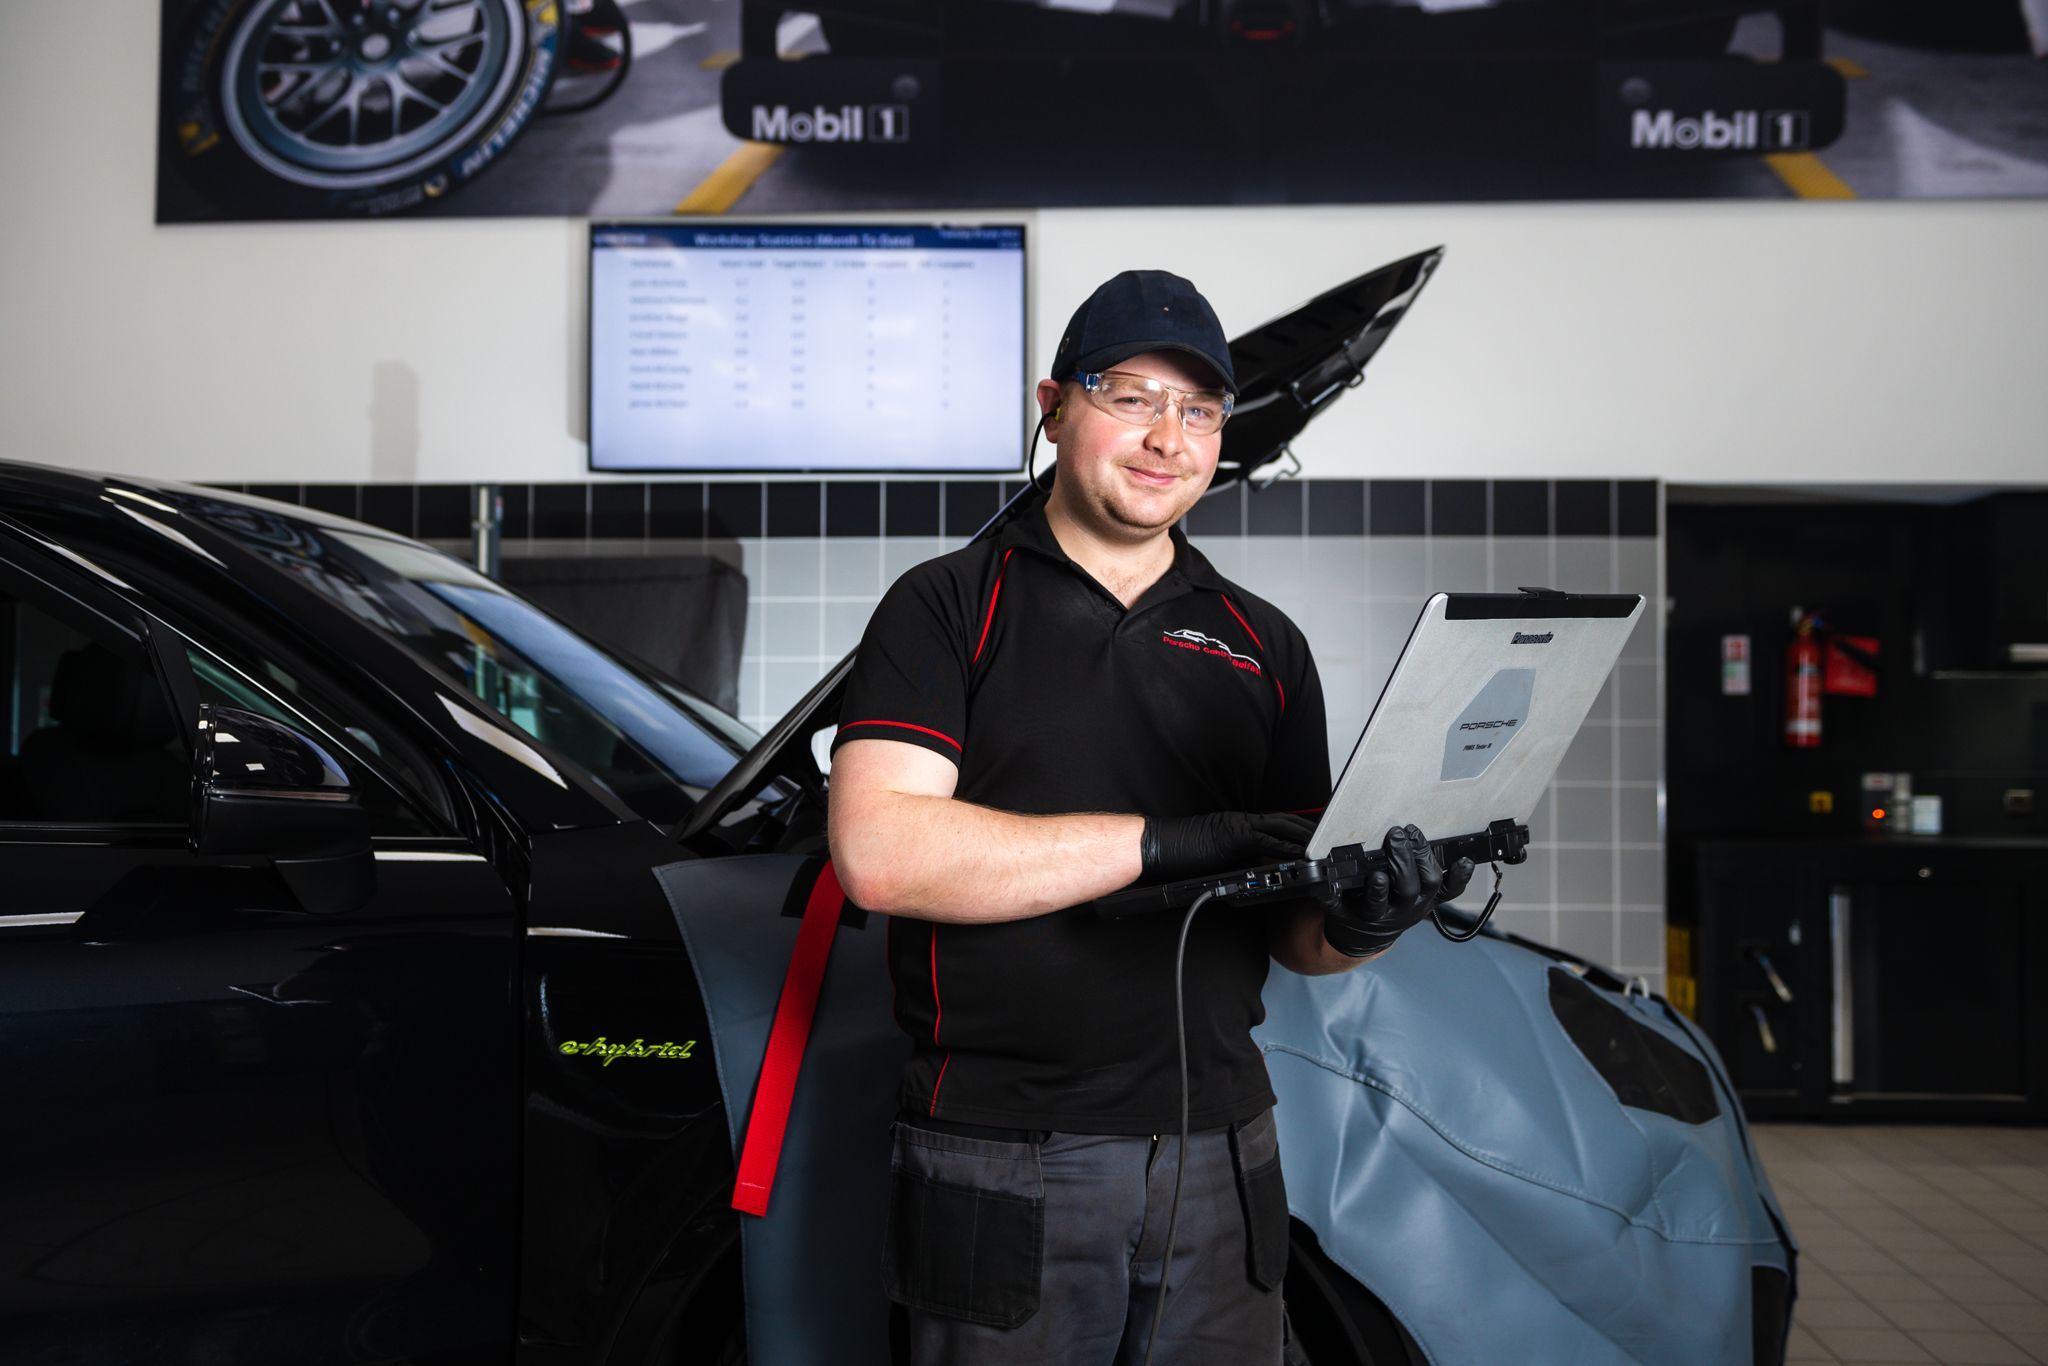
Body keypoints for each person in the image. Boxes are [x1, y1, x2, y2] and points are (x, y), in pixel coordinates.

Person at [827, 269, 1472, 1366]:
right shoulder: (943, 605)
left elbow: (1293, 932)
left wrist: (1370, 918)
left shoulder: (1262, 644)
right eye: (1129, 396)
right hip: (1004, 1148)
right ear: (1053, 404)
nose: (1167, 436)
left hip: (1221, 1146)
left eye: (1199, 409)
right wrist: (1162, 843)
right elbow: (880, 855)